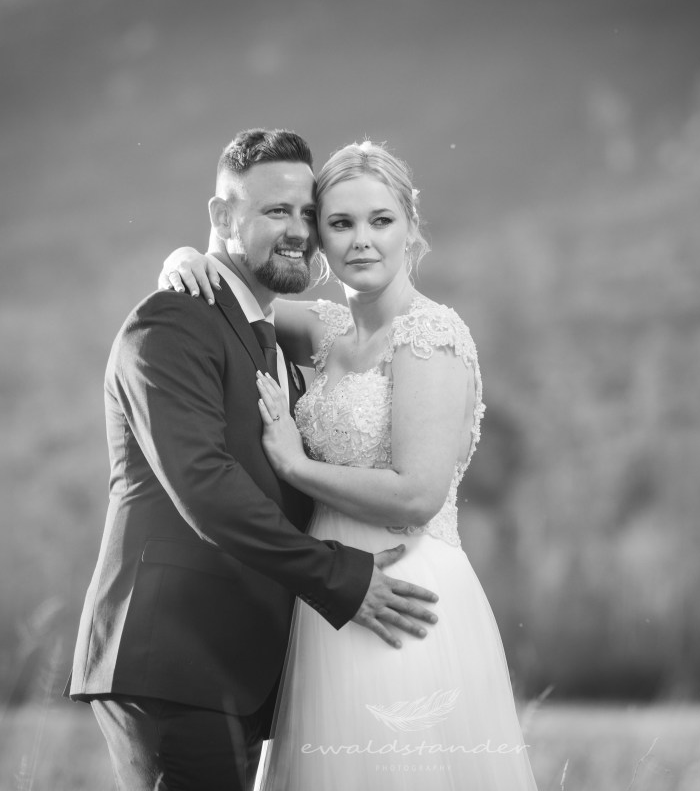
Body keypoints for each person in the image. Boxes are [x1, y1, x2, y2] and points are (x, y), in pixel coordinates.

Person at [68, 128, 441, 791]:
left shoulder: (273, 340)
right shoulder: (173, 323)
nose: (298, 230)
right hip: (173, 659)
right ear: (222, 215)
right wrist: (338, 576)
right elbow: (206, 486)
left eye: (307, 213)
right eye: (276, 211)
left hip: (237, 668)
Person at [159, 140, 538, 789]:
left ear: (410, 227)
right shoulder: (325, 331)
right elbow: (236, 297)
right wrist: (183, 258)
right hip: (326, 599)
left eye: (380, 220)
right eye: (339, 223)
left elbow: (417, 495)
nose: (361, 240)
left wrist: (295, 465)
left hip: (404, 594)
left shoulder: (430, 336)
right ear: (318, 239)